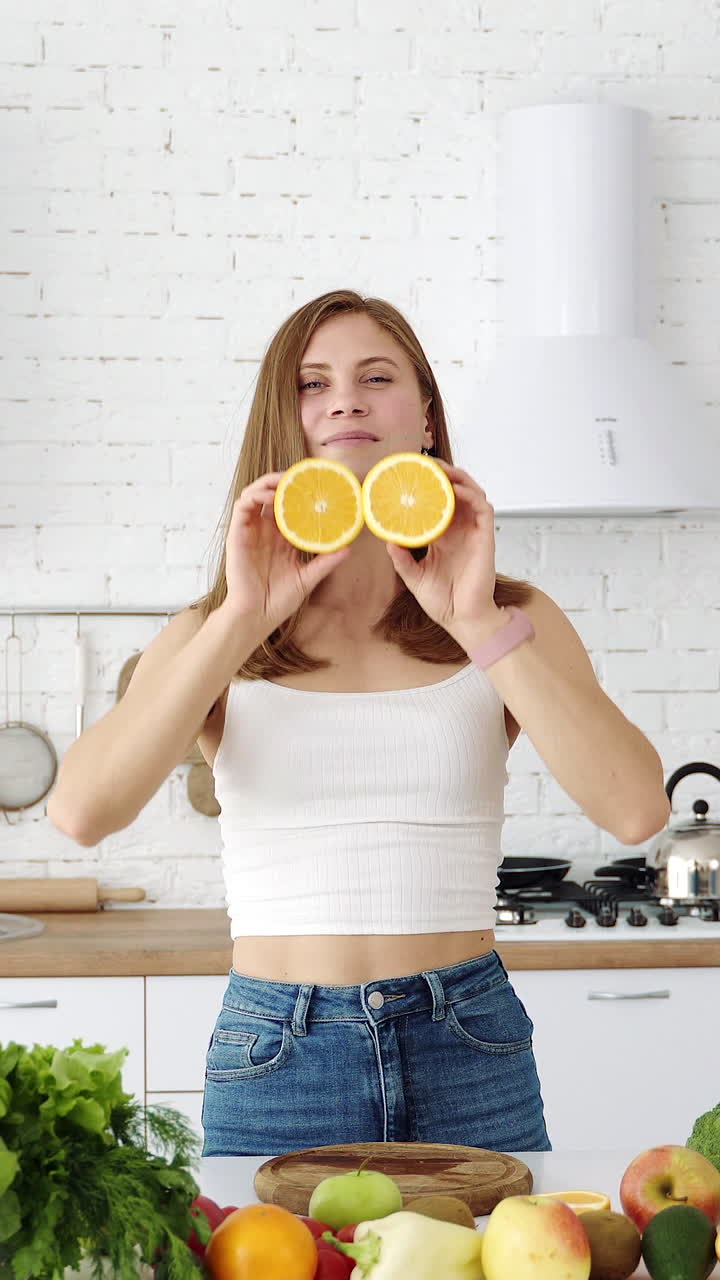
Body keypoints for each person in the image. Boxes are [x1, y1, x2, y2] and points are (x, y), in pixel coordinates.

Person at [48, 289, 671, 1157]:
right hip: (278, 1050)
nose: (345, 399)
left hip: (470, 1042)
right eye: (314, 384)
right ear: (286, 423)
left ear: (424, 418)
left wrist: (480, 623)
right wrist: (240, 617)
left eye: (376, 377)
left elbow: (637, 808)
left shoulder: (511, 618)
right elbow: (82, 813)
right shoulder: (216, 635)